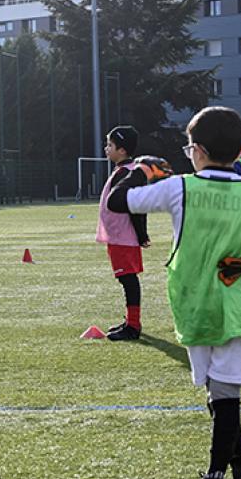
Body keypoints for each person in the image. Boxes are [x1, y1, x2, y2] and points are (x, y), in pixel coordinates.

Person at [106, 106, 241, 479]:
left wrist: (140, 171)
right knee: (224, 390)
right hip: (234, 302)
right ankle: (233, 468)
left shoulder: (179, 187)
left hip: (193, 302)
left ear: (196, 150)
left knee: (220, 391)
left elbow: (116, 202)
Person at [96, 126, 154, 341]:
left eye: (110, 145)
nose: (106, 148)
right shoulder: (124, 170)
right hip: (119, 235)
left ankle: (133, 325)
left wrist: (141, 234)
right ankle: (131, 321)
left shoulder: (130, 172)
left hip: (124, 235)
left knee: (128, 279)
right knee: (125, 278)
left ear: (121, 150)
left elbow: (137, 206)